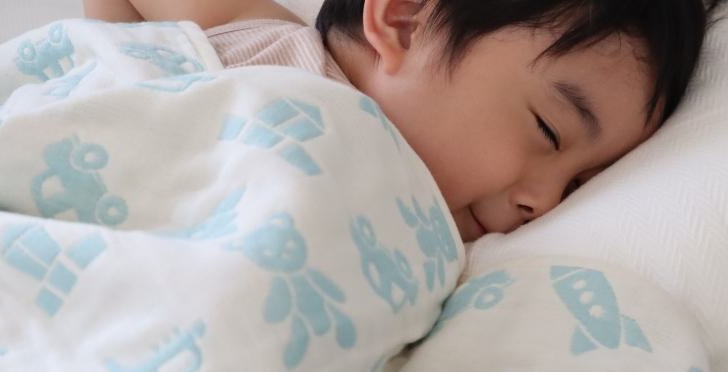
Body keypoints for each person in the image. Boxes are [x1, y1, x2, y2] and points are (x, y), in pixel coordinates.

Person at [83, 0, 723, 241]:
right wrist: (115, 62)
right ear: (405, 19)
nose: (547, 203)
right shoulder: (269, 48)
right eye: (550, 132)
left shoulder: (452, 253)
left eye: (580, 183)